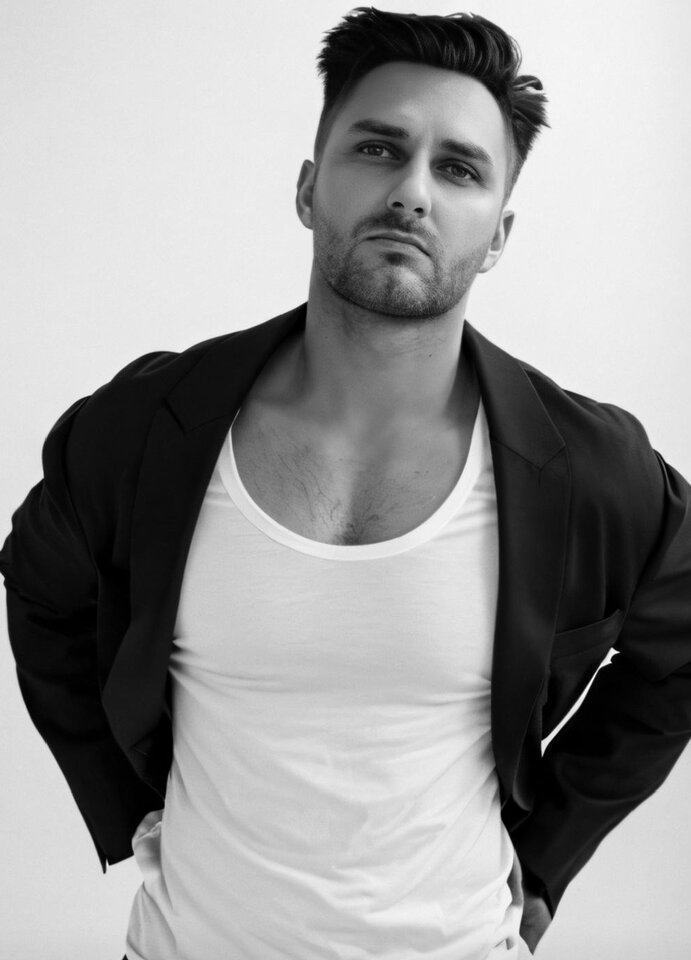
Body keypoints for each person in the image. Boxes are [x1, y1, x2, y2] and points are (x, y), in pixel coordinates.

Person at [2, 7, 690, 959]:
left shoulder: (591, 471)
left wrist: (546, 855)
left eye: (458, 169)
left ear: (498, 234)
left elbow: (676, 658)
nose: (411, 191)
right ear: (307, 187)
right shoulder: (142, 429)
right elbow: (40, 592)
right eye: (377, 148)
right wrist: (122, 802)